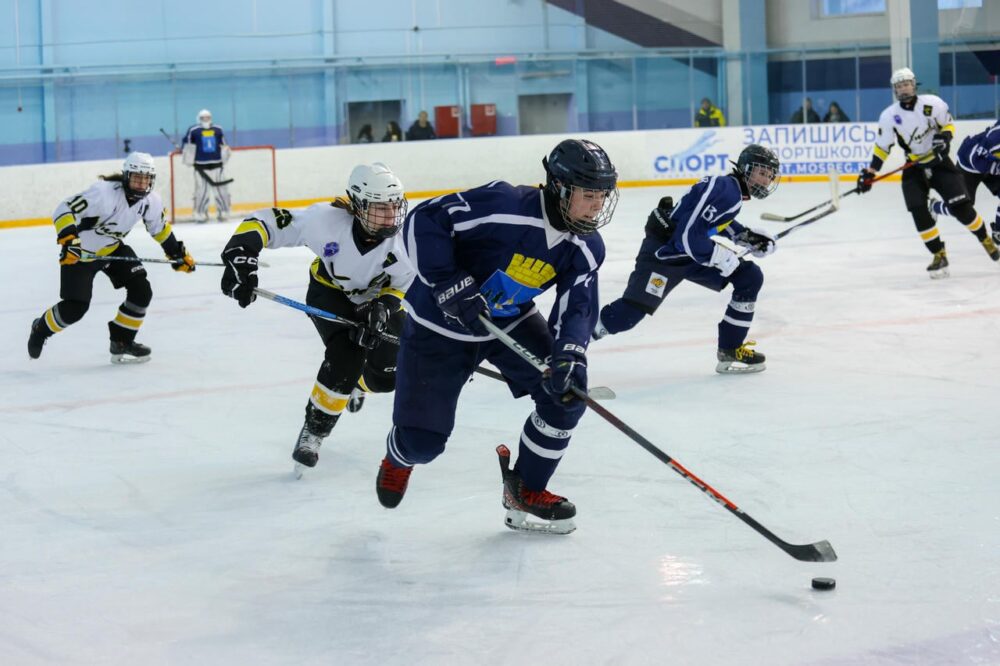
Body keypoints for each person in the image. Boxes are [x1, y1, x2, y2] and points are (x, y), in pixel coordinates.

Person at [376, 139, 619, 535]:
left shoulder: (586, 247)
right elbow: (423, 221)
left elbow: (577, 306)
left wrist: (570, 353)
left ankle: (525, 488)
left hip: (508, 321)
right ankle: (398, 457)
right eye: (589, 195)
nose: (598, 205)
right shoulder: (504, 205)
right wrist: (449, 283)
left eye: (603, 196)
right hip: (440, 326)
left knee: (567, 391)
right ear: (559, 187)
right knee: (423, 443)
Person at [220, 163, 413, 473]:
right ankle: (315, 430)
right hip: (330, 293)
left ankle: (358, 384)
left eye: (394, 206)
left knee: (387, 377)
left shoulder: (406, 239)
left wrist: (385, 307)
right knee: (345, 358)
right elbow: (265, 222)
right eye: (380, 207)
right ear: (358, 204)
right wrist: (242, 258)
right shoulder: (324, 221)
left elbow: (402, 285)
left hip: (376, 301)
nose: (391, 216)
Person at [593, 144, 781, 374]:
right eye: (762, 173)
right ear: (746, 168)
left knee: (749, 276)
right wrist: (719, 256)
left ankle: (730, 349)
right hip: (665, 255)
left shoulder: (731, 191)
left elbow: (710, 221)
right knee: (628, 315)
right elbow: (686, 234)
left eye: (769, 177)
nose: (765, 181)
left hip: (688, 253)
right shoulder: (726, 190)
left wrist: (746, 236)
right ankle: (569, 343)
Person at [27, 152, 196, 363]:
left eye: (146, 179)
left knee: (141, 291)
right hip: (80, 254)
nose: (141, 183)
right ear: (126, 176)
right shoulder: (103, 193)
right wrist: (69, 240)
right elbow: (64, 209)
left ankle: (121, 341)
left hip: (113, 250)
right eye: (136, 177)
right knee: (75, 308)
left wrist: (176, 253)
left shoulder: (151, 201)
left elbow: (159, 229)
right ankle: (40, 329)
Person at [857, 68, 997, 278]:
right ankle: (939, 254)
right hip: (914, 168)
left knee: (962, 208)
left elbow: (948, 125)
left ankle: (984, 238)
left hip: (940, 164)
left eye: (907, 84)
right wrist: (870, 172)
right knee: (918, 210)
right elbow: (882, 148)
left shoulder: (933, 103)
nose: (904, 88)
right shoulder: (889, 116)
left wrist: (945, 139)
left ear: (914, 84)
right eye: (899, 85)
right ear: (895, 89)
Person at [929, 121, 1000, 250]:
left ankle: (998, 231)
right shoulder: (995, 139)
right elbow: (976, 159)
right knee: (963, 207)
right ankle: (934, 206)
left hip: (992, 164)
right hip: (969, 162)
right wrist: (996, 168)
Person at [181, 109, 232, 222]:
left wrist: (225, 157)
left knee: (221, 190)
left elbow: (224, 146)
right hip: (200, 167)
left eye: (207, 117)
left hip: (217, 166)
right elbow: (187, 145)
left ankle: (224, 212)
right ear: (199, 119)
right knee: (201, 192)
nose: (206, 120)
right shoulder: (193, 130)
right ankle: (200, 213)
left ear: (211, 118)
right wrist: (186, 155)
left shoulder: (218, 130)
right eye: (203, 118)